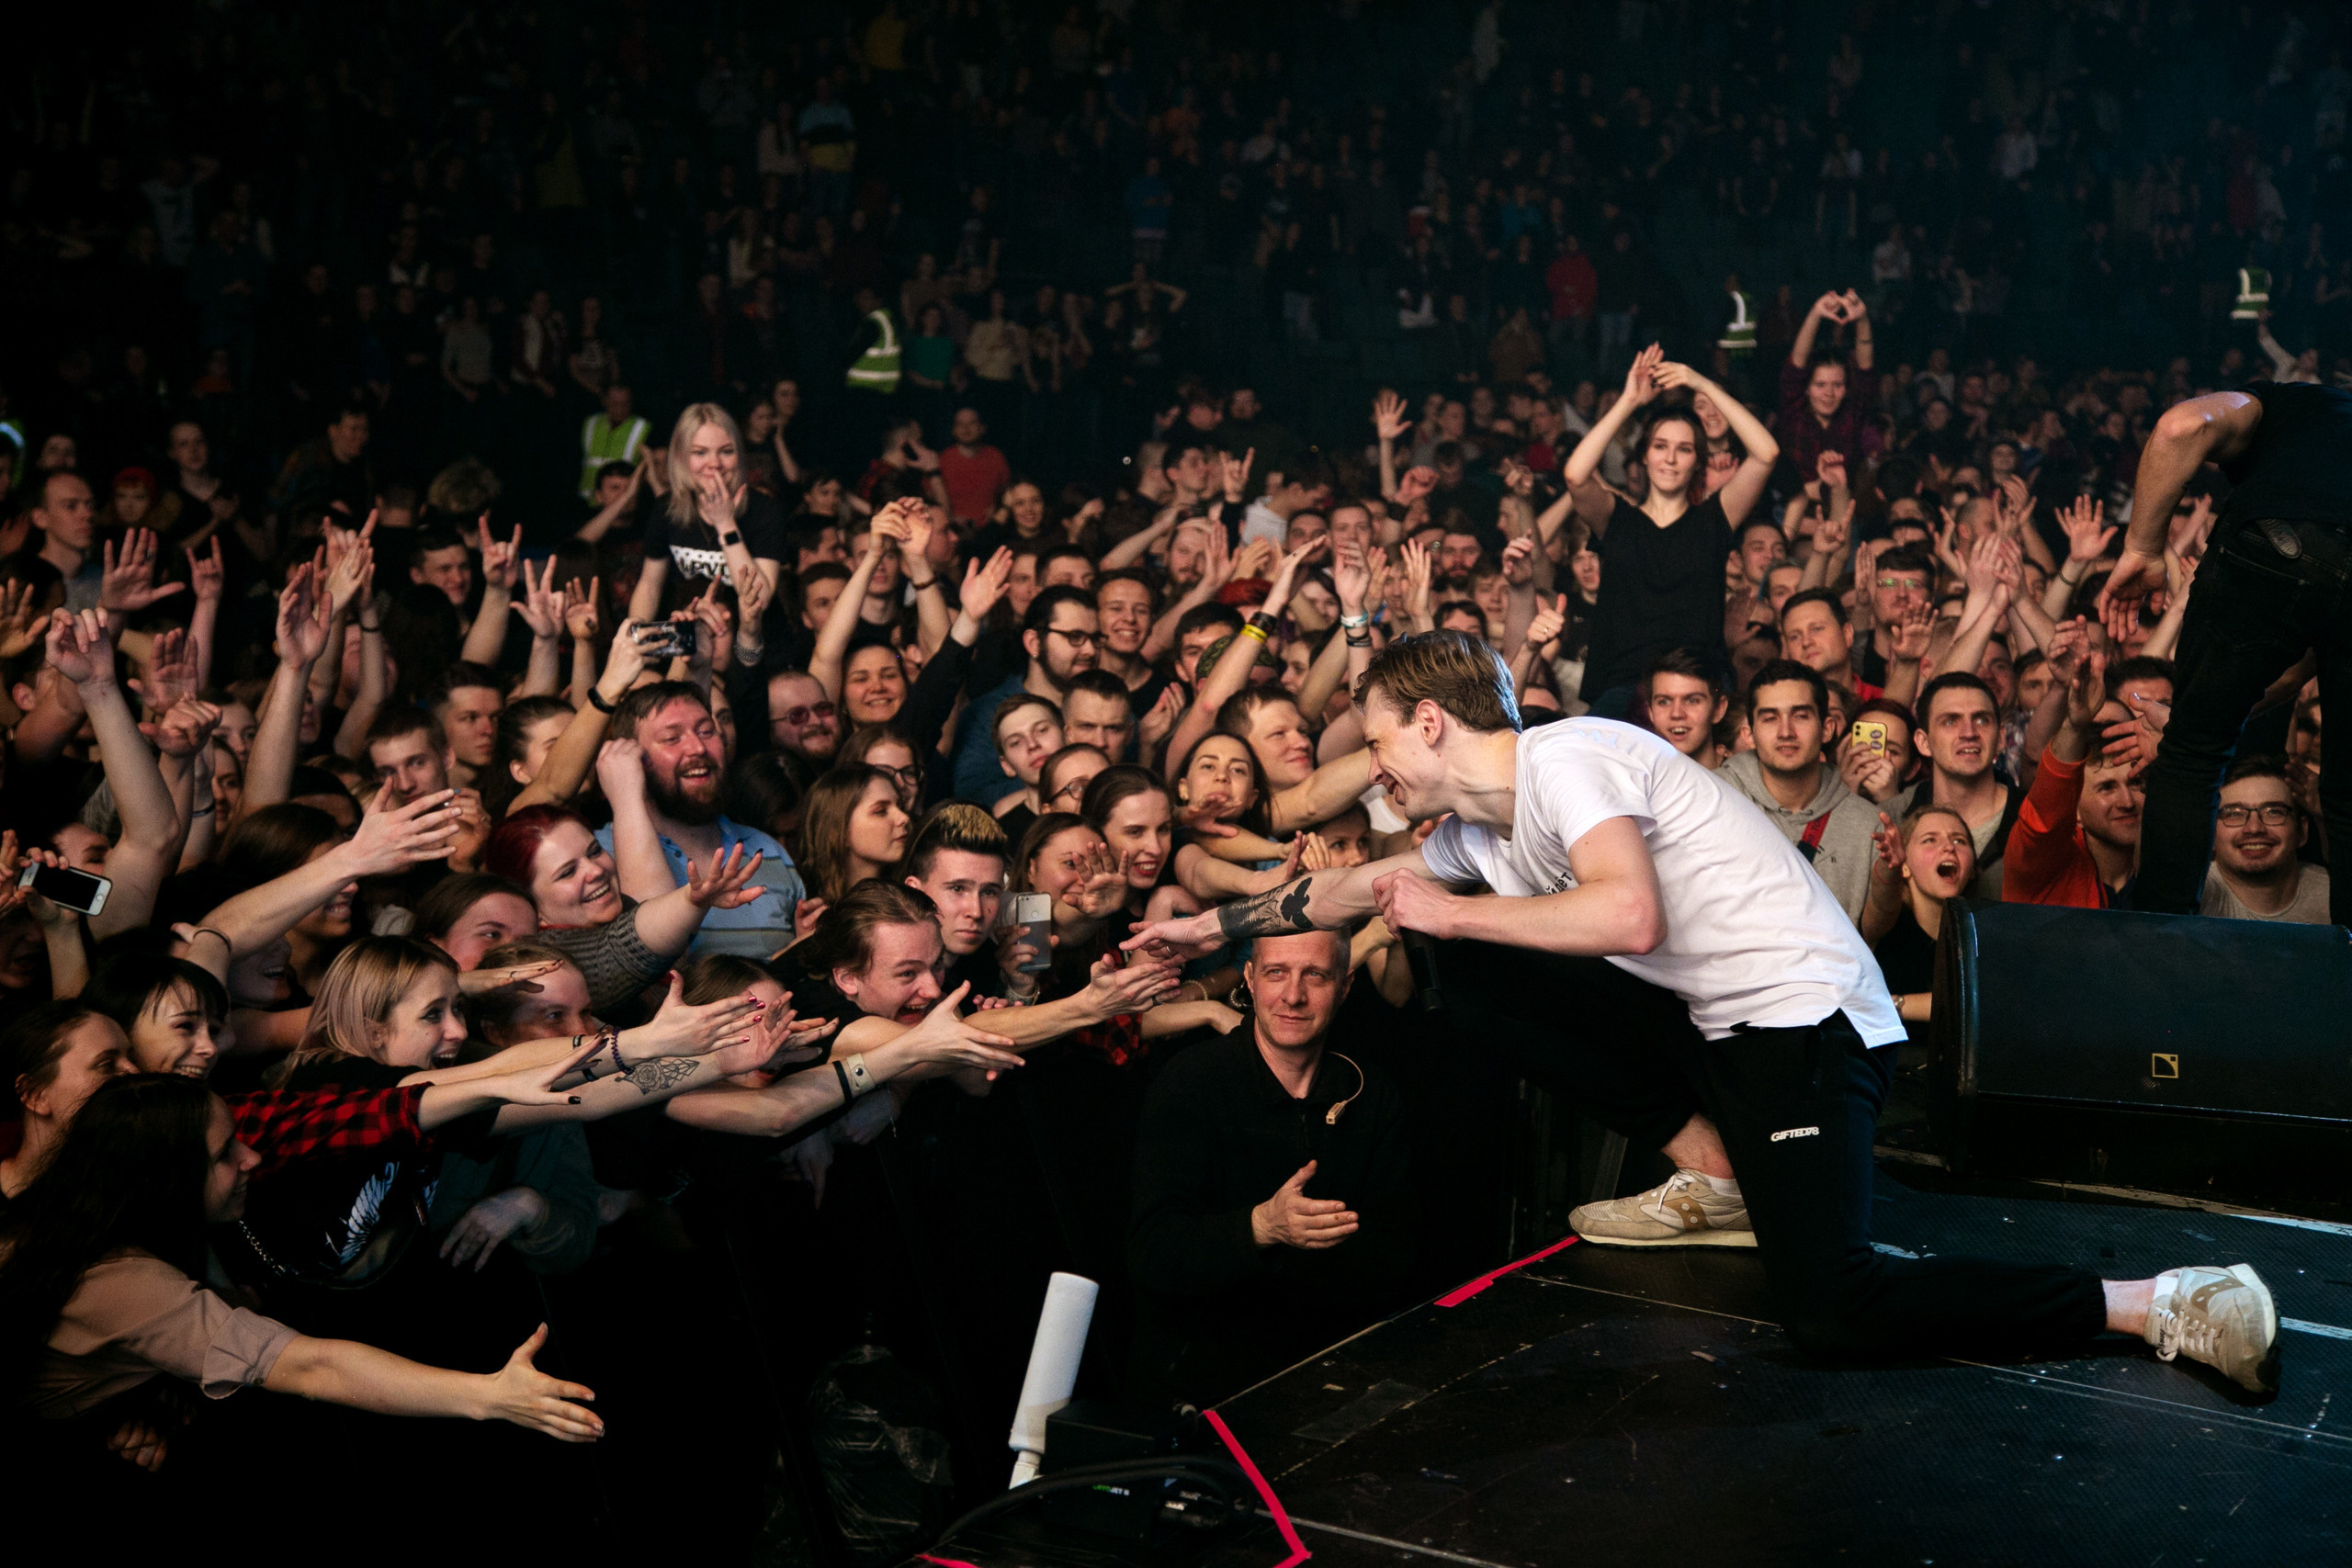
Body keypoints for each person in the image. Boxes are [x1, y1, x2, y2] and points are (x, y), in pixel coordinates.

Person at [1126, 631, 2279, 1391]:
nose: (1369, 770)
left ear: (1431, 724)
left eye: (1375, 742)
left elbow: (1625, 917)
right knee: (1455, 967)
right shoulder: (1479, 831)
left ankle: (2154, 1303)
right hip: (1712, 1034)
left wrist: (1446, 911)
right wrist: (1211, 930)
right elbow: (1355, 885)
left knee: (1829, 1310)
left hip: (1805, 1026)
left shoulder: (1572, 757)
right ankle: (1714, 1169)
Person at [1127, 928, 1413, 1402]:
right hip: (1210, 1387)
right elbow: (1152, 1253)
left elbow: (1399, 1257)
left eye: (1315, 975)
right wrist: (1261, 1226)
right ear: (1251, 980)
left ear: (1344, 987)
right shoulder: (1191, 1081)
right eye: (1277, 973)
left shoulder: (1371, 1093)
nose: (1293, 995)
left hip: (1332, 1377)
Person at [2107, 380, 2352, 925]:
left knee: (2192, 758)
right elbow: (2292, 675)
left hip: (2275, 541)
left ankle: (2162, 942)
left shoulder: (2282, 404)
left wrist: (2144, 547)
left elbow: (2180, 427)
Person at [1563, 346, 1781, 718]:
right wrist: (1629, 401)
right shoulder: (1619, 519)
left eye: (1683, 449)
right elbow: (1575, 474)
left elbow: (1766, 453)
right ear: (1644, 455)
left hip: (1697, 686)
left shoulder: (1715, 518)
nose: (1670, 458)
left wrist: (1701, 383)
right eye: (1660, 446)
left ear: (1697, 462)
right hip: (1624, 687)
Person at [2199, 757, 2332, 922]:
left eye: (2274, 812)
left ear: (2302, 831)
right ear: (2210, 832)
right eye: (2234, 813)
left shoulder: (2333, 894)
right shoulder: (2198, 893)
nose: (2254, 828)